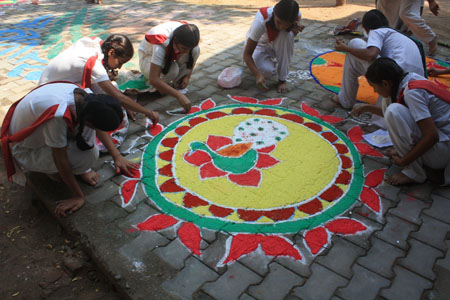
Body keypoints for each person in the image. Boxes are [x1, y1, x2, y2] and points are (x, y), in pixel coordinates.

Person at [1, 82, 139, 216]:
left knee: (88, 145)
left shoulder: (85, 97)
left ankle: (61, 169)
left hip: (40, 139)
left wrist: (117, 156)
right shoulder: (59, 116)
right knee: (89, 155)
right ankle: (49, 169)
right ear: (90, 122)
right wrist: (79, 196)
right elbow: (60, 159)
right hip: (25, 150)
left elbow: (96, 127)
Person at [352, 57, 450, 186]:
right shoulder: (409, 80)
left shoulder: (412, 93)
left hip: (443, 153)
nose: (375, 91)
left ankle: (414, 173)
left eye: (374, 87)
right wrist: (368, 108)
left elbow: (431, 136)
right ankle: (408, 153)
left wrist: (404, 160)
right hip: (442, 143)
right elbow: (402, 116)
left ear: (386, 83)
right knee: (390, 105)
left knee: (394, 110)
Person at [39, 34, 159, 124]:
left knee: (110, 89)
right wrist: (148, 113)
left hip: (50, 83)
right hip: (49, 95)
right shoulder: (95, 64)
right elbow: (118, 97)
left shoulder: (97, 44)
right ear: (111, 52)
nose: (120, 67)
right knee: (104, 105)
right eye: (120, 62)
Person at [333, 9, 425, 109]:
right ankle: (345, 99)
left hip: (397, 80)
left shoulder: (377, 31)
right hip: (415, 82)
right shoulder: (396, 35)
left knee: (354, 43)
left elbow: (371, 54)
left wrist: (345, 48)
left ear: (366, 28)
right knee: (354, 56)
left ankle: (345, 100)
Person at [243, 0, 304, 93]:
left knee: (287, 35)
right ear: (274, 12)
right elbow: (247, 54)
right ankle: (267, 64)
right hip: (259, 44)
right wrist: (258, 75)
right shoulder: (262, 18)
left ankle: (282, 79)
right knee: (266, 72)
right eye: (278, 22)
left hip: (275, 43)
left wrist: (294, 31)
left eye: (286, 25)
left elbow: (289, 43)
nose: (281, 27)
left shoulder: (296, 15)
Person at [139, 22, 200, 113]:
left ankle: (177, 85)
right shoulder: (160, 44)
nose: (186, 52)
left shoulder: (189, 34)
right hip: (148, 58)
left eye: (188, 49)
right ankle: (161, 87)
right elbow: (153, 78)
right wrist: (178, 96)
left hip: (168, 53)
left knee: (195, 50)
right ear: (175, 40)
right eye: (183, 48)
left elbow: (190, 53)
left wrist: (187, 77)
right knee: (173, 70)